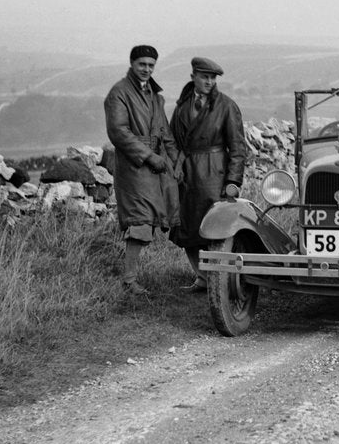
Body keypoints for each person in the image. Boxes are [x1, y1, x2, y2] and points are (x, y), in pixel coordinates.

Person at [104, 44, 180, 294]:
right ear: (132, 64)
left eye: (151, 65)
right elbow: (119, 132)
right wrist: (148, 156)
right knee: (140, 219)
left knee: (167, 214)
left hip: (158, 164)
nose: (146, 69)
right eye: (142, 64)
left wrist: (176, 162)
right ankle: (128, 280)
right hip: (134, 166)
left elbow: (165, 132)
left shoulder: (155, 97)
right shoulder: (119, 93)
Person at [169, 56, 248, 291]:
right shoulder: (182, 106)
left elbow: (238, 147)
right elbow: (173, 140)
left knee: (216, 228)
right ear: (193, 76)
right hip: (187, 174)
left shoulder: (226, 106)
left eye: (213, 78)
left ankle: (219, 281)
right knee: (187, 227)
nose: (210, 82)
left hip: (214, 173)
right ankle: (202, 277)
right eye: (205, 77)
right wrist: (176, 167)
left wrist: (233, 180)